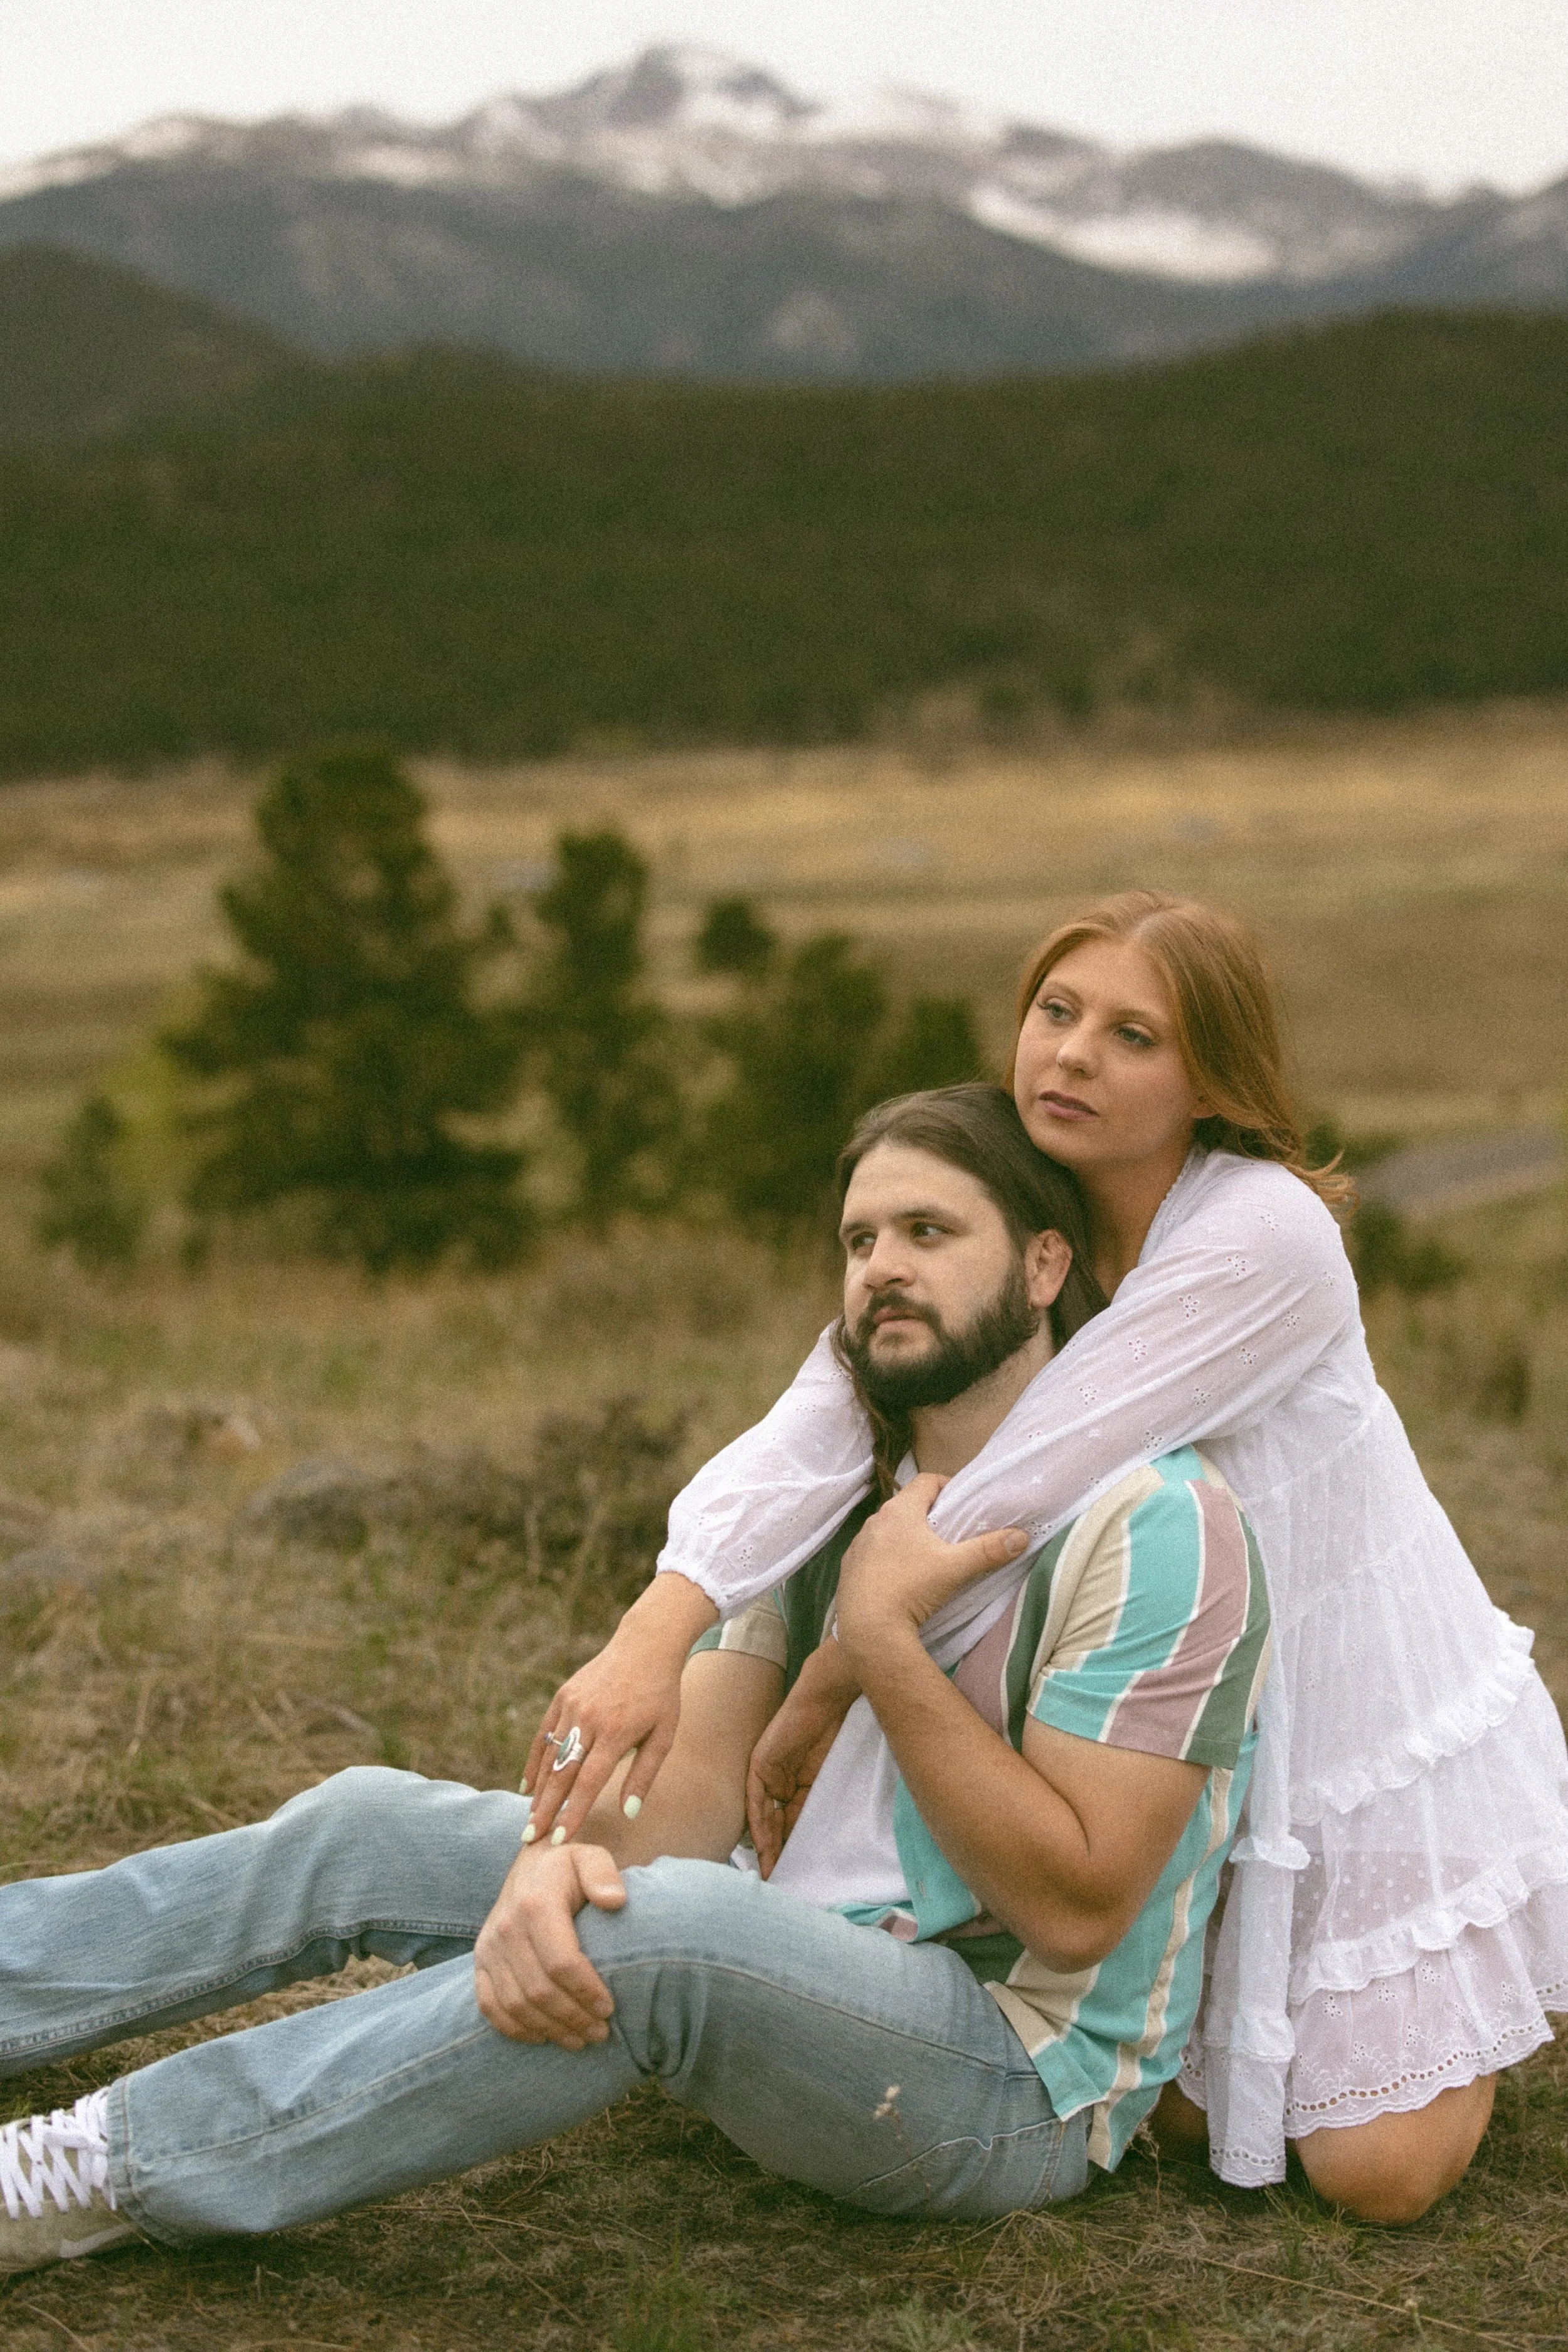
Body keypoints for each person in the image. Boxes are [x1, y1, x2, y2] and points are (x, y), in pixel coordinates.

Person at [0, 1084, 1269, 2275]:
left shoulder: (1155, 1523)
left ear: (1044, 1265)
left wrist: (879, 1642)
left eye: (929, 1231)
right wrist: (556, 1865)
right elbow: (677, 1821)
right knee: (362, 1825)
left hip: (1007, 2079)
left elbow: (1077, 1907)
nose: (879, 1266)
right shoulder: (819, 1498)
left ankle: (94, 2172)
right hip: (788, 1955)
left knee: (665, 1936)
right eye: (858, 1238)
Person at [526, 892, 1568, 2225]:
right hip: (1159, 1701)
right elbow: (818, 1415)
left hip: (1344, 1688)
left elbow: (1025, 1476)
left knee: (1372, 2181)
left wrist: (831, 1681)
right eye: (1054, 1013)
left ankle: (1463, 1954)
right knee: (1192, 2113)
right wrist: (647, 1637)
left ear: (1208, 1082)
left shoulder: (1261, 1235)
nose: (1069, 1056)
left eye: (1132, 1035)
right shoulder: (1014, 1205)